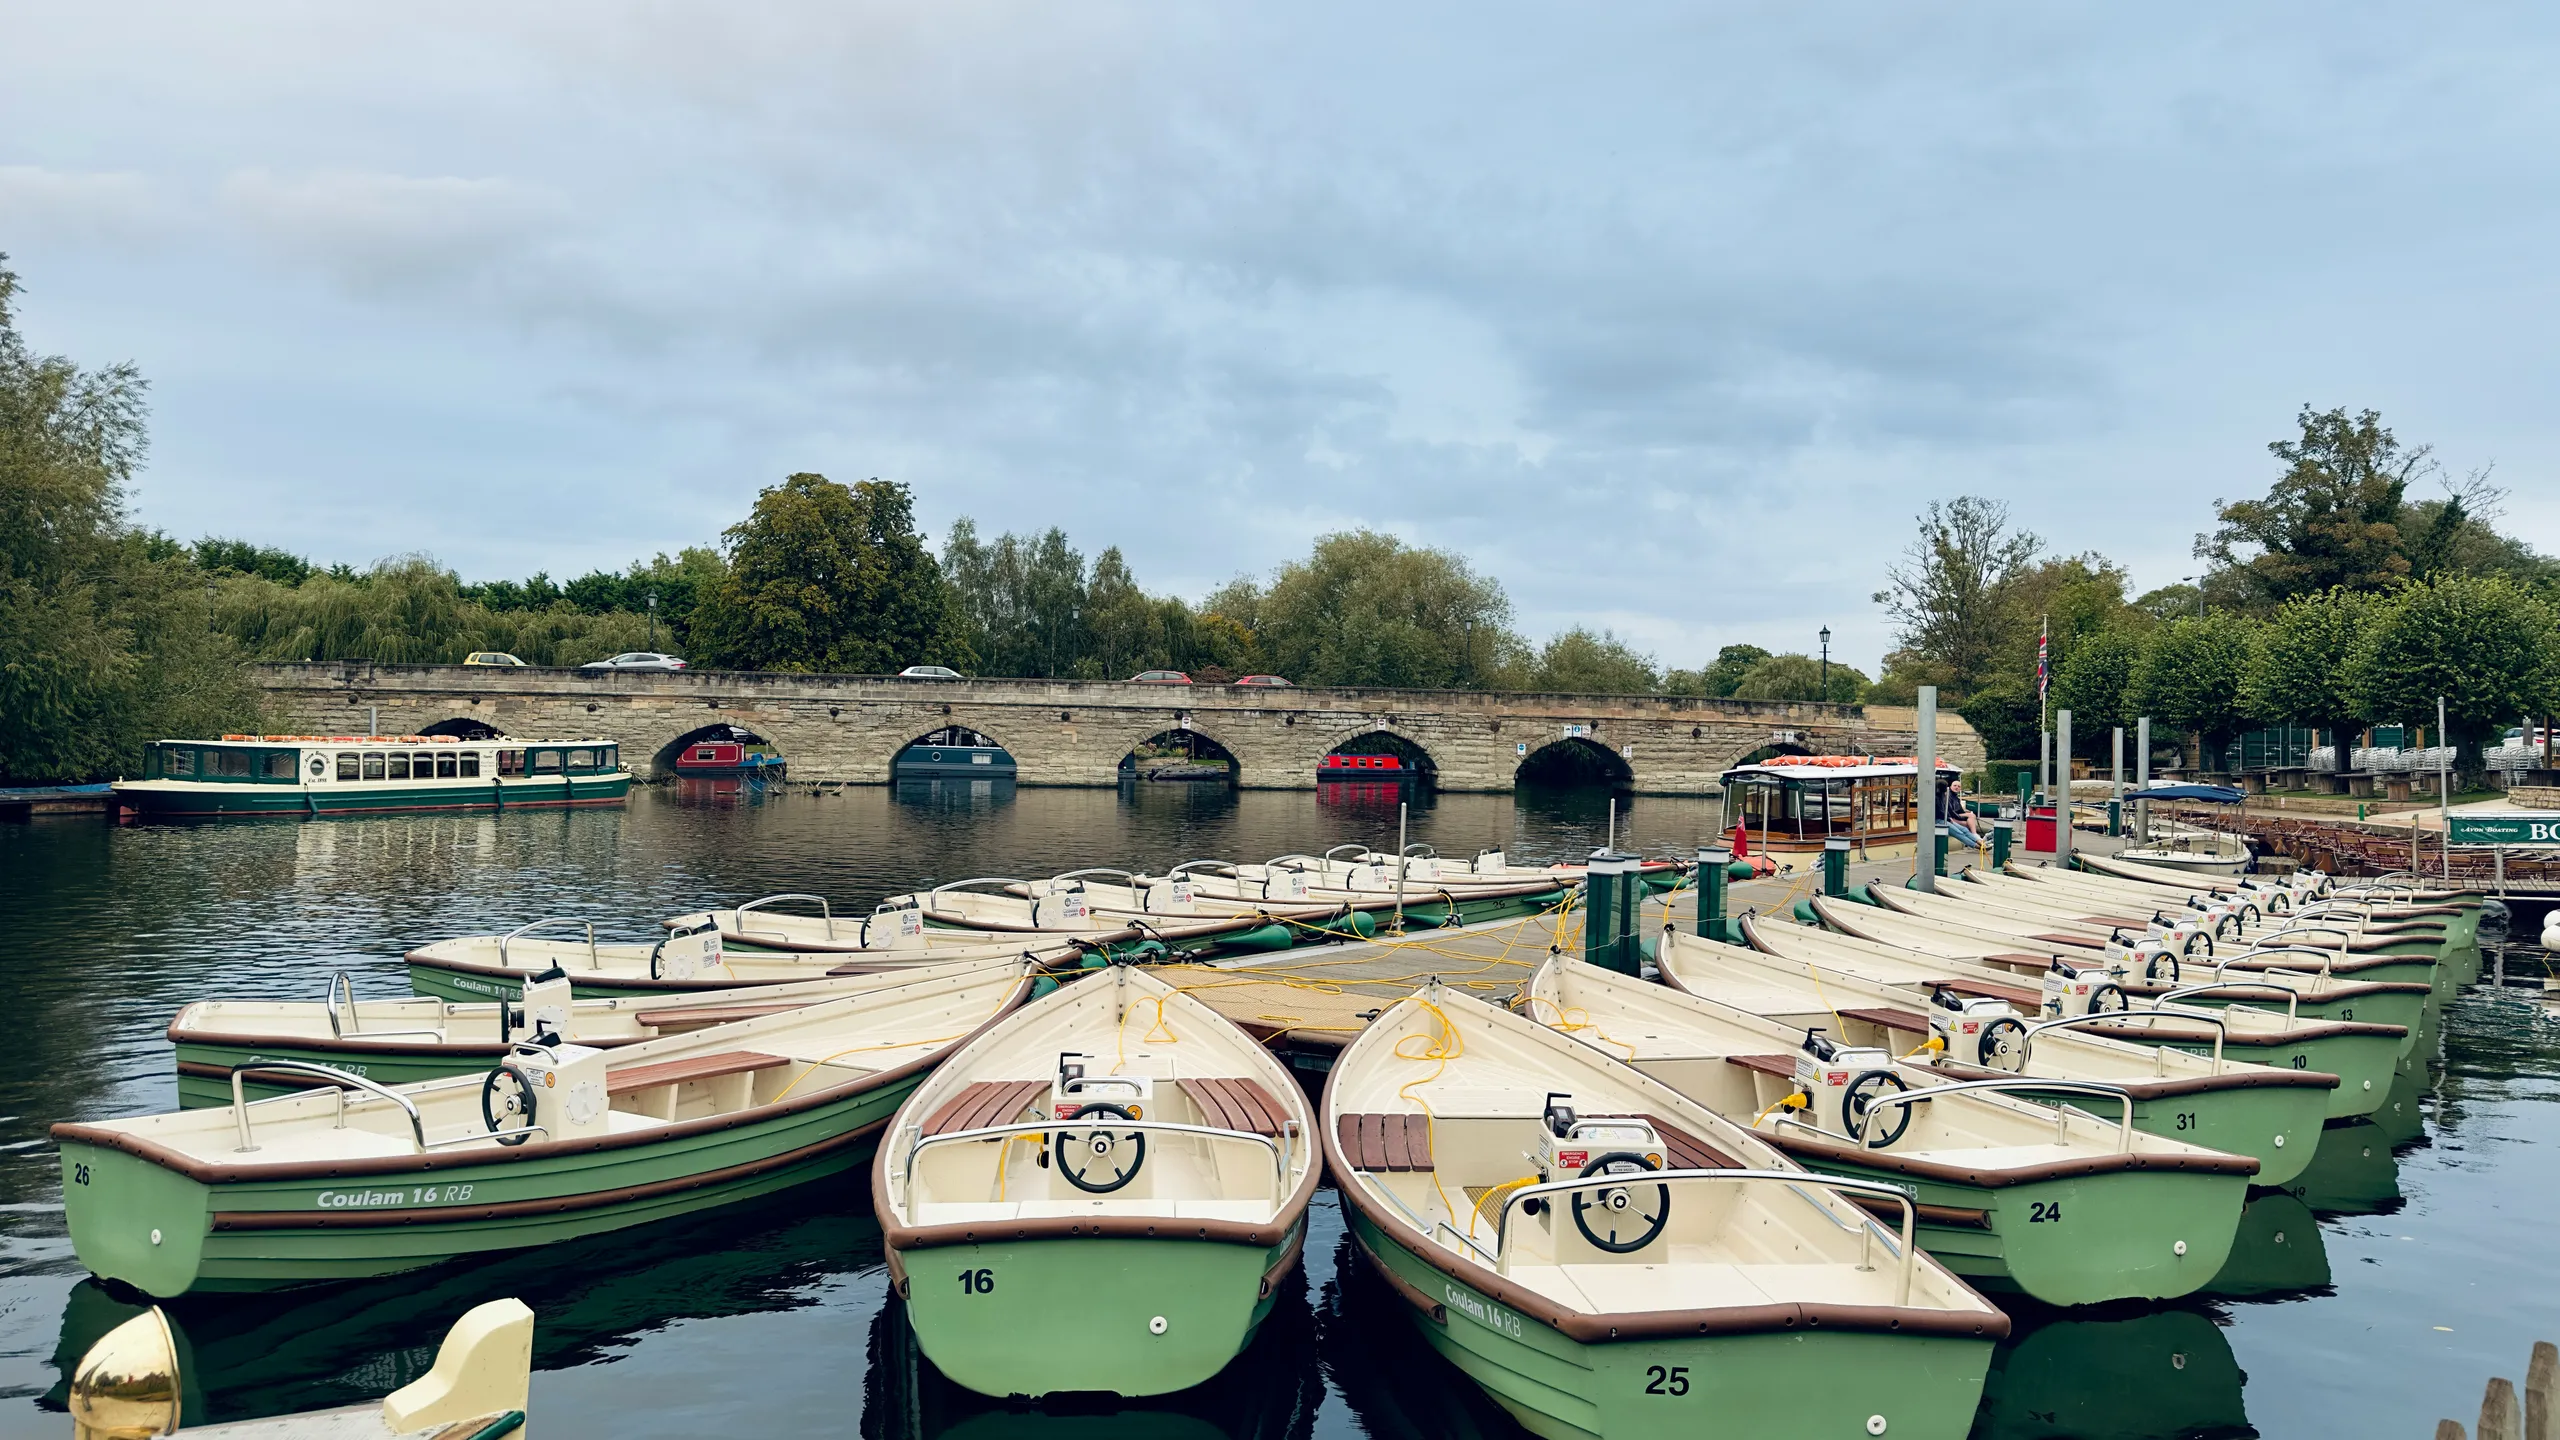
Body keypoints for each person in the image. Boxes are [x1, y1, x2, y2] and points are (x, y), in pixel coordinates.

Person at [1937, 776, 1984, 849]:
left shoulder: (1947, 796)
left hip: (1946, 818)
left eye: (1958, 786)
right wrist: (1951, 818)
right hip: (1940, 820)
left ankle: (1979, 841)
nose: (1956, 787)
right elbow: (1942, 811)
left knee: (1965, 828)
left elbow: (1949, 810)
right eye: (1955, 786)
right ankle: (1976, 845)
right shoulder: (1941, 797)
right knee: (1959, 832)